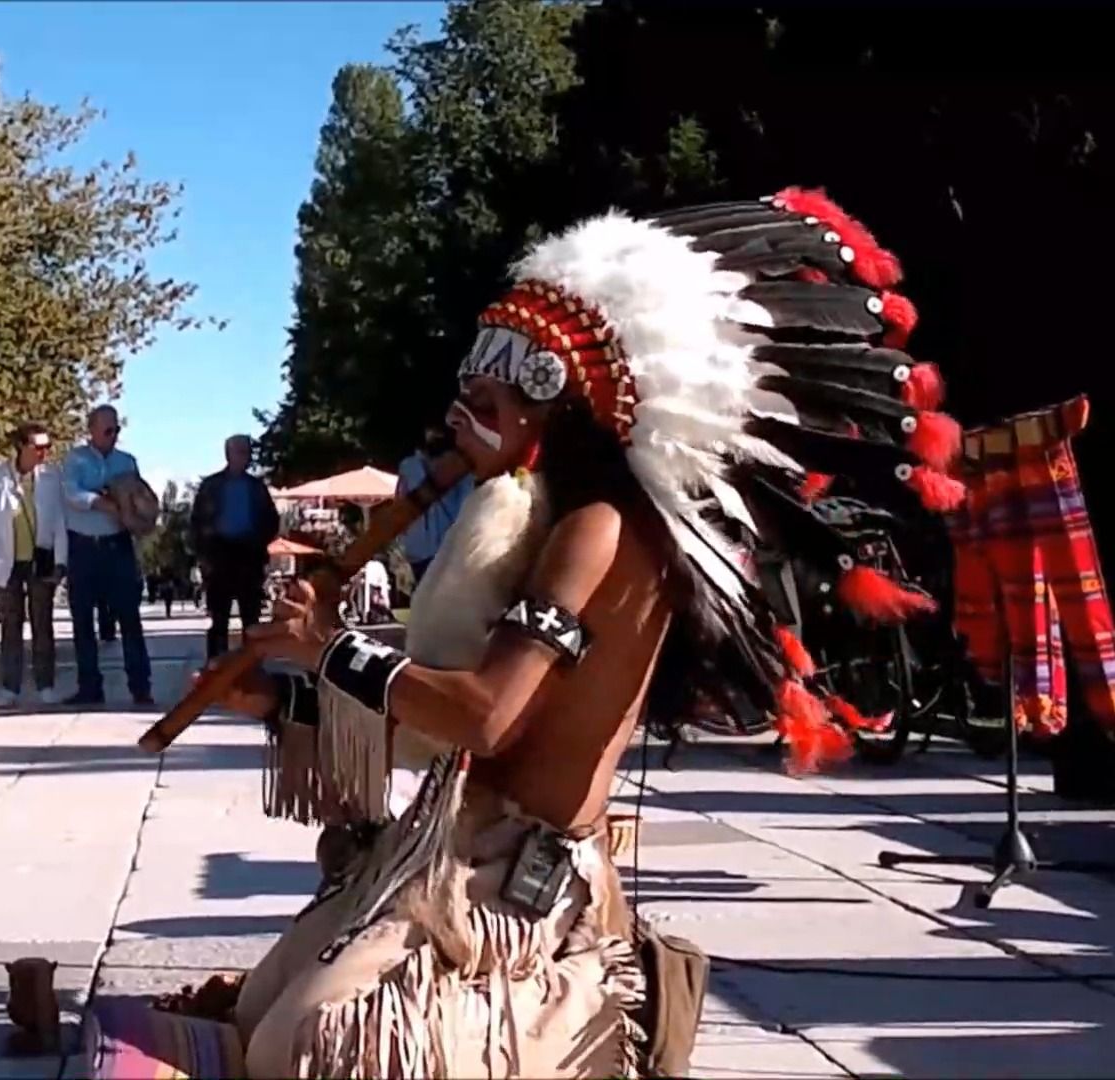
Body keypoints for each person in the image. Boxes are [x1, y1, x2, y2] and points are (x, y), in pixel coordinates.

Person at [212, 189, 964, 1077]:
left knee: (314, 1046)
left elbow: (487, 717)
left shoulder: (597, 531)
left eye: (483, 393)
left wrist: (332, 649)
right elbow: (457, 716)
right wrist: (290, 692)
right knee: (262, 1015)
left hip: (512, 885)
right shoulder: (543, 519)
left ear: (552, 404)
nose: (459, 412)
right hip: (454, 841)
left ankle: (580, 1015)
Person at [60, 405, 152, 706]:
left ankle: (140, 686)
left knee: (129, 617)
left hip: (117, 546)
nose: (113, 436)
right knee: (83, 619)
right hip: (84, 546)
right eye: (107, 430)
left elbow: (139, 499)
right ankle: (89, 686)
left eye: (116, 430)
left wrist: (133, 512)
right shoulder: (75, 460)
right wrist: (104, 503)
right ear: (92, 429)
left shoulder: (127, 462)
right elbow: (71, 494)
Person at [0, 423, 69, 709]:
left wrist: (60, 561)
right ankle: (10, 686)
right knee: (10, 624)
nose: (44, 453)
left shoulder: (51, 477)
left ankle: (46, 684)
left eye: (48, 448)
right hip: (6, 561)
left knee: (42, 623)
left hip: (40, 558)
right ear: (22, 447)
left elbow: (59, 521)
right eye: (38, 448)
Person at [190, 435, 281, 659]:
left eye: (247, 452)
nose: (245, 457)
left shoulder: (256, 487)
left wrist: (259, 542)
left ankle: (250, 665)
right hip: (220, 554)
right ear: (228, 454)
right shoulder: (211, 486)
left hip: (249, 554)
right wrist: (204, 556)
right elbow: (197, 522)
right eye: (240, 451)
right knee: (219, 618)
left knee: (251, 617)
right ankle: (216, 667)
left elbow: (272, 520)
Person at [396, 423, 475, 587]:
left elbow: (400, 500)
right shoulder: (410, 466)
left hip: (427, 547)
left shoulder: (409, 466)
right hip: (442, 547)